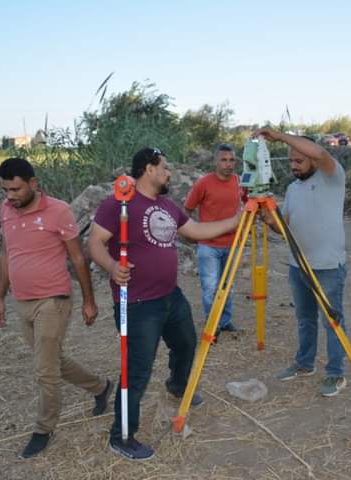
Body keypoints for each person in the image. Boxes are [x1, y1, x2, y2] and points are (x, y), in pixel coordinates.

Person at [88, 147, 241, 460]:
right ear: (149, 169)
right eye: (165, 168)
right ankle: (121, 436)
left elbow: (196, 231)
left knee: (186, 344)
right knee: (137, 371)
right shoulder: (119, 203)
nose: (169, 173)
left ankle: (177, 385)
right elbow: (95, 243)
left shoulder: (167, 206)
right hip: (138, 304)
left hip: (171, 296)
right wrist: (112, 266)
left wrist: (237, 220)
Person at [0, 157, 112, 459]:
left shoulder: (58, 211)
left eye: (16, 189)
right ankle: (100, 387)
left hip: (54, 300)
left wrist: (89, 301)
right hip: (22, 300)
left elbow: (78, 257)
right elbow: (6, 255)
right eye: (5, 190)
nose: (10, 196)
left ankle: (43, 429)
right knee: (52, 359)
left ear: (33, 183)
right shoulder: (6, 210)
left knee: (44, 370)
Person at [256, 128, 348, 397]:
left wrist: (280, 136)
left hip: (328, 266)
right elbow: (284, 228)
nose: (294, 166)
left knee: (332, 322)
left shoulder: (332, 176)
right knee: (305, 319)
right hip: (299, 266)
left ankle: (335, 373)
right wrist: (269, 219)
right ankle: (305, 363)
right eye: (291, 161)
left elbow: (320, 152)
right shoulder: (292, 189)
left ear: (312, 160)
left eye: (299, 160)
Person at [184, 144, 246, 338]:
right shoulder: (203, 183)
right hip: (208, 245)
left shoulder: (240, 182)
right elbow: (187, 209)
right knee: (210, 287)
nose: (228, 164)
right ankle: (213, 324)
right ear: (215, 162)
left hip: (233, 243)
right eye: (224, 160)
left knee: (227, 285)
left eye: (232, 160)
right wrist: (191, 233)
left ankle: (225, 321)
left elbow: (248, 203)